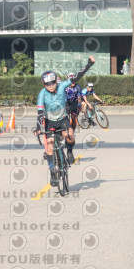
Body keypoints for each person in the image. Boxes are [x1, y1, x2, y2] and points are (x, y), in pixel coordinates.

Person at [36, 56, 95, 186]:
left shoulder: (62, 86)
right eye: (48, 84)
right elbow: (40, 112)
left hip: (62, 119)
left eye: (53, 82)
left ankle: (69, 151)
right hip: (50, 121)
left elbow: (76, 77)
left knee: (70, 135)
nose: (51, 86)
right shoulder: (42, 94)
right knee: (50, 146)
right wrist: (38, 127)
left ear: (56, 81)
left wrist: (89, 65)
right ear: (44, 84)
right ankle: (53, 172)